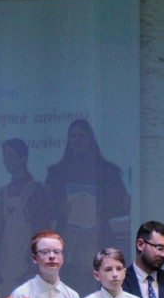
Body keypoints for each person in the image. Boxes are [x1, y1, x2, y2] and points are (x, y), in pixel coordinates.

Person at [45, 119, 131, 288]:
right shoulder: (56, 172)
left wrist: (101, 210)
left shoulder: (108, 170)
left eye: (81, 136)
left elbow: (121, 205)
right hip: (67, 237)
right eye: (73, 136)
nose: (77, 140)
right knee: (68, 280)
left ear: (90, 139)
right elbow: (46, 207)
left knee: (97, 279)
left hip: (98, 236)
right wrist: (59, 209)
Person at [0, 138, 52, 289]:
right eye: (4, 156)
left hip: (25, 252)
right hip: (6, 252)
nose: (6, 160)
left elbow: (41, 226)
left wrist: (33, 254)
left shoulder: (35, 190)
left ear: (23, 157)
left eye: (11, 155)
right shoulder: (3, 191)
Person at [9, 230, 82, 298]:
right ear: (34, 258)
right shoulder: (21, 295)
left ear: (62, 257)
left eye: (56, 252)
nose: (52, 256)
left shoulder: (72, 297)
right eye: (45, 252)